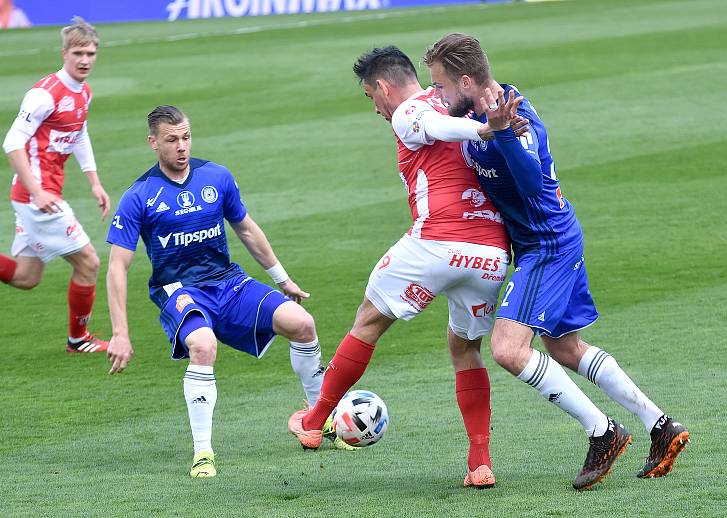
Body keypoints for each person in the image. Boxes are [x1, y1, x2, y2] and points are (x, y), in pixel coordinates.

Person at [422, 33, 690, 489]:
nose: (437, 95)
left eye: (442, 86)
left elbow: (527, 184)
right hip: (545, 241)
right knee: (565, 348)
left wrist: (503, 132)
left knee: (508, 350)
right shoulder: (471, 112)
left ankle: (602, 432)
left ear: (467, 81)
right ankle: (661, 426)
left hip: (547, 246)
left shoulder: (515, 117)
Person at [289, 46, 514, 489]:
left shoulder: (411, 110)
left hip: (435, 243)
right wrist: (483, 125)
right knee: (465, 349)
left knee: (369, 321)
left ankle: (314, 421)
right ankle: (480, 463)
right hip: (489, 254)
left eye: (371, 96)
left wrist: (484, 130)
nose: (375, 108)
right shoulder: (451, 96)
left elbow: (433, 126)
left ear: (383, 87)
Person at [105, 105, 348, 478]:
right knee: (202, 345)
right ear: (153, 143)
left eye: (186, 137)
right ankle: (203, 452)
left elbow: (247, 229)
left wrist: (282, 279)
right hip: (179, 289)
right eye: (171, 140)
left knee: (302, 323)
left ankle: (317, 421)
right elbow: (117, 266)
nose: (181, 146)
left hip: (229, 282)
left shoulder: (216, 177)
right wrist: (120, 333)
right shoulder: (139, 196)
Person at [1, 17, 111, 353]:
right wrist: (37, 191)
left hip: (41, 194)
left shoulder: (83, 93)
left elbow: (79, 134)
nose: (85, 60)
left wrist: (94, 182)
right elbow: (11, 143)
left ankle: (77, 340)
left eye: (91, 53)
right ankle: (78, 340)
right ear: (64, 53)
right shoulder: (44, 95)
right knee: (89, 262)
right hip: (38, 198)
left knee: (26, 276)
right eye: (78, 52)